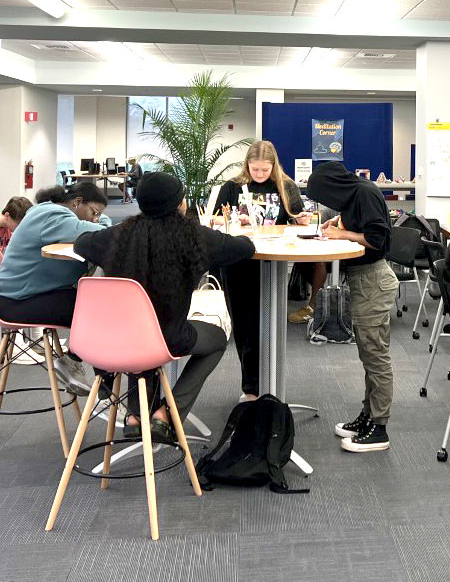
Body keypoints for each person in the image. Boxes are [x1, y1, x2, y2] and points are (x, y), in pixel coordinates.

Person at [75, 172, 255, 440]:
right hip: (167, 339)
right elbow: (244, 248)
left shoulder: (119, 235)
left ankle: (137, 415)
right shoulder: (194, 236)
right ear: (179, 203)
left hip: (112, 339)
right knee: (217, 338)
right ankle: (167, 414)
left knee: (140, 334)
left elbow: (82, 243)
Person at [307, 161, 398, 453]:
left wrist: (342, 234)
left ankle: (379, 428)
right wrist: (339, 224)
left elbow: (377, 238)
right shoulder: (354, 196)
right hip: (363, 280)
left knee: (376, 356)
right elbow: (362, 224)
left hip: (373, 281)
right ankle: (368, 415)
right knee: (367, 353)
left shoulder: (365, 193)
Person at [213, 140, 311, 401]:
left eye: (264, 170)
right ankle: (251, 388)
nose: (259, 175)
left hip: (272, 263)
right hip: (238, 264)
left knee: (270, 326)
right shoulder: (232, 187)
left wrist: (301, 219)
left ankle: (271, 384)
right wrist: (235, 219)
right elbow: (215, 221)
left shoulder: (285, 186)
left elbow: (299, 220)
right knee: (245, 328)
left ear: (273, 166)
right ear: (247, 165)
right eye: (254, 169)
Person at [0, 183, 108, 393]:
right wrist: (100, 223)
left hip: (26, 294)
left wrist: (98, 218)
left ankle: (93, 377)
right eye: (94, 212)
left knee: (96, 304)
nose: (96, 218)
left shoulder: (49, 212)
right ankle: (100, 384)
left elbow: (99, 227)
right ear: (77, 203)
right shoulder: (52, 216)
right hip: (17, 301)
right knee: (100, 311)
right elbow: (97, 234)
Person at [0, 196, 31, 265]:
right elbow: (4, 264)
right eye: (19, 224)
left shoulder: (8, 227)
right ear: (7, 215)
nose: (21, 227)